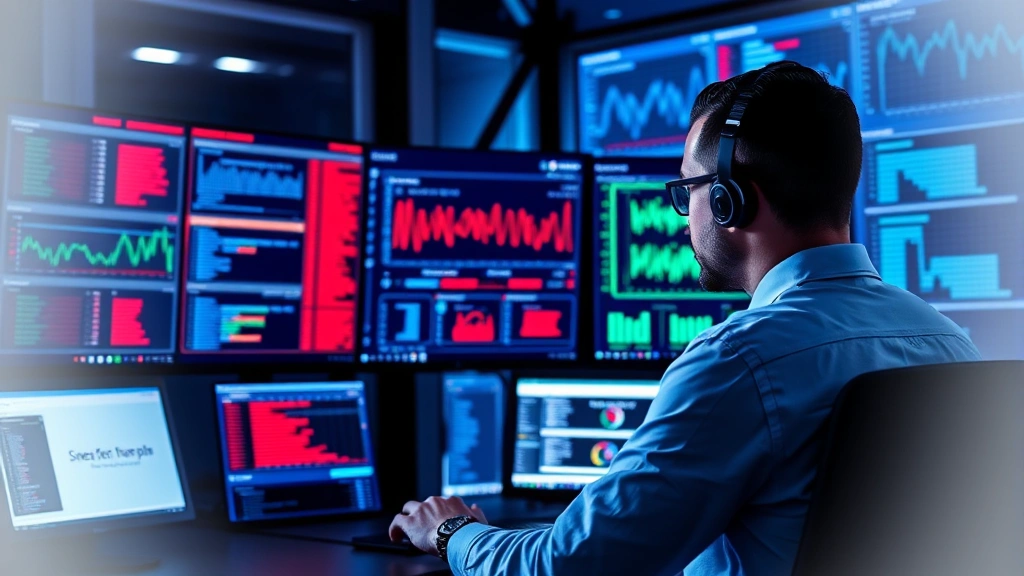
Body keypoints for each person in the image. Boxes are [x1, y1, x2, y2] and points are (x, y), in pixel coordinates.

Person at [389, 61, 981, 576]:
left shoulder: (742, 361)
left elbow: (568, 566)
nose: (683, 216)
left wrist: (451, 532)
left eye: (688, 190)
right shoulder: (950, 343)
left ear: (729, 199)